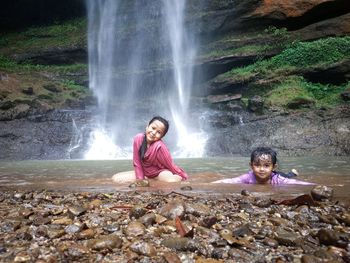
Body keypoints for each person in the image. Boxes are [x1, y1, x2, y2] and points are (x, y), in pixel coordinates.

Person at [112, 116, 188, 183]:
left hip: (160, 173)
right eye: (153, 128)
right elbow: (137, 163)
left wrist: (182, 176)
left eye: (159, 132)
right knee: (115, 178)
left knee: (171, 181)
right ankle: (151, 181)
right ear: (148, 126)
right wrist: (141, 181)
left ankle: (176, 178)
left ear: (162, 136)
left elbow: (170, 165)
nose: (154, 132)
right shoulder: (138, 138)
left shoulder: (160, 147)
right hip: (145, 173)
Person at [212, 147, 315, 185]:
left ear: (273, 167)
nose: (261, 169)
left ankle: (292, 173)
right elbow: (231, 181)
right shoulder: (248, 177)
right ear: (251, 166)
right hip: (273, 173)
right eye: (257, 165)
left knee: (288, 176)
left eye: (266, 165)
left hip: (278, 175)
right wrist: (210, 184)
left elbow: (298, 183)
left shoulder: (278, 179)